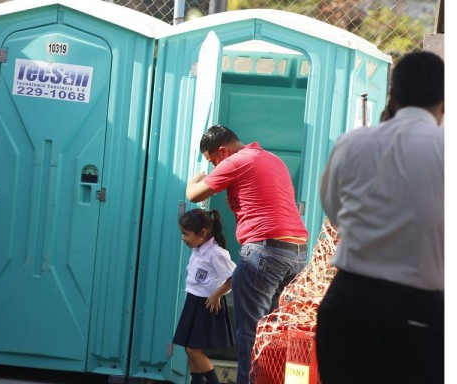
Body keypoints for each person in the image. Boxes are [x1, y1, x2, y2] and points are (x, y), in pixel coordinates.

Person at [317, 51, 444, 384]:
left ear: (392, 95)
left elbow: (335, 212)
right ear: (443, 102)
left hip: (347, 305)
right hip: (419, 313)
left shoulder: (352, 144)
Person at [186, 126, 308, 384]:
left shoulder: (238, 160)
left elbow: (194, 195)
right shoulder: (272, 159)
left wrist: (195, 179)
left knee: (251, 337)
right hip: (296, 254)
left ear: (222, 151)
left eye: (213, 162)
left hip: (264, 253)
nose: (215, 167)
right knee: (276, 335)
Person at [173, 208, 236, 384]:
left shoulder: (216, 253)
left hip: (206, 304)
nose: (183, 238)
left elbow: (233, 278)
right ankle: (197, 381)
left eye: (186, 234)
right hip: (193, 301)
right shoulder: (198, 248)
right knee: (190, 348)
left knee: (193, 350)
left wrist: (216, 295)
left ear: (202, 233)